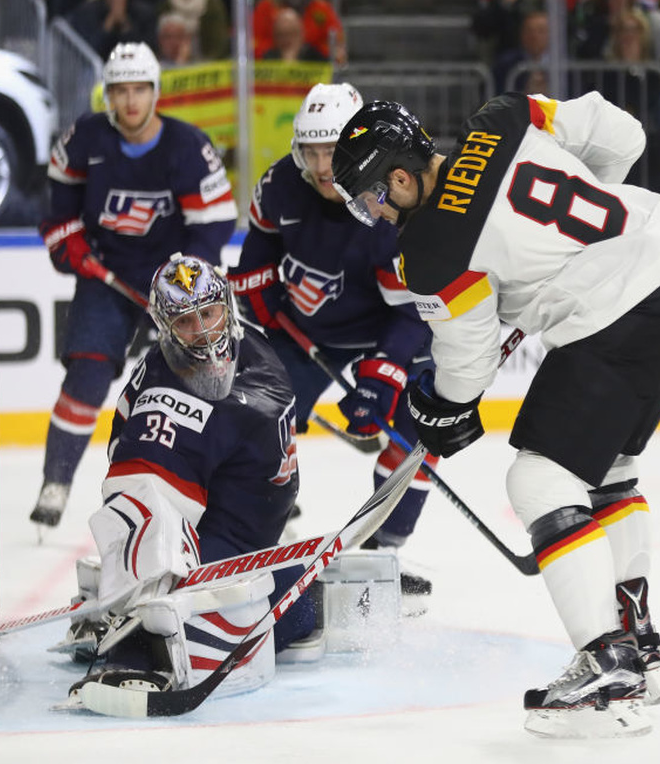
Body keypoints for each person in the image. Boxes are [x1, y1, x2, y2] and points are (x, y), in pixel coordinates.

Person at [331, 92, 660, 737]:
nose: (375, 212)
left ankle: (605, 661)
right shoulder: (502, 120)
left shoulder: (430, 249)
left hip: (616, 312)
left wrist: (443, 406)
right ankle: (633, 633)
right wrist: (576, 240)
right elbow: (624, 135)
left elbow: (469, 363)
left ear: (400, 176)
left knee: (537, 482)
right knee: (608, 471)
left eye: (372, 196)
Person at [60, 253, 314, 699]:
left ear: (226, 306)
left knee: (302, 604)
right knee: (162, 560)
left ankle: (132, 613)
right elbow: (141, 501)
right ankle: (131, 650)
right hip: (209, 527)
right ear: (164, 325)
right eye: (186, 322)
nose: (203, 329)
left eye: (209, 313)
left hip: (243, 531)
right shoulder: (168, 391)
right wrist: (150, 581)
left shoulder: (253, 352)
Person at [228, 83, 436, 596]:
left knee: (420, 427)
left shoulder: (383, 205)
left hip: (386, 327)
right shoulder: (279, 184)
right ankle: (263, 532)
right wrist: (265, 310)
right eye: (312, 150)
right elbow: (255, 261)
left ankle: (384, 549)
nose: (323, 166)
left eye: (333, 149)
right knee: (255, 420)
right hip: (306, 332)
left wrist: (381, 376)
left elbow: (412, 313)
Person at [30, 43, 238, 528]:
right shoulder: (85, 137)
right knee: (87, 374)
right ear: (108, 94)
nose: (129, 101)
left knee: (208, 378)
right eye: (120, 90)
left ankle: (238, 483)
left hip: (175, 282)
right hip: (107, 276)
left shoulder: (186, 146)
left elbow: (214, 224)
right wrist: (71, 245)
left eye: (139, 89)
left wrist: (180, 284)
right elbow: (57, 210)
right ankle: (56, 481)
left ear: (155, 91)